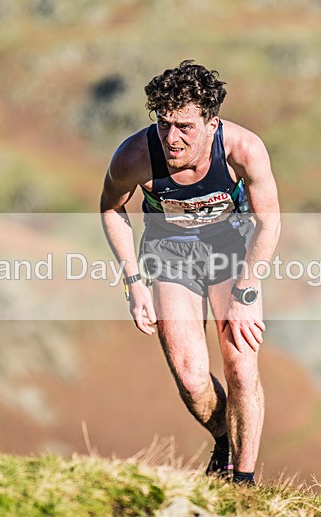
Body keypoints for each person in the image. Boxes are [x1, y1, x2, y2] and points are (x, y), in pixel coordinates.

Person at [100, 61, 281, 485]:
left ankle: (244, 482)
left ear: (211, 123)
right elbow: (111, 209)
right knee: (191, 377)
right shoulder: (135, 155)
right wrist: (133, 283)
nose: (172, 138)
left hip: (230, 250)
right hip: (169, 253)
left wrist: (246, 293)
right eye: (164, 124)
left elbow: (268, 221)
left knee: (240, 368)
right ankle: (224, 437)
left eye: (184, 126)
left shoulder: (244, 150)